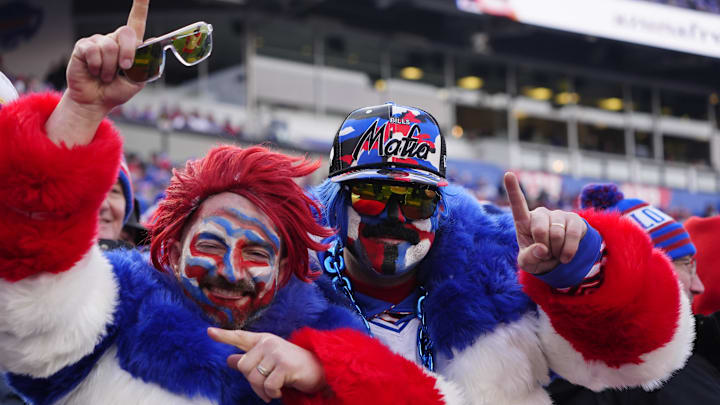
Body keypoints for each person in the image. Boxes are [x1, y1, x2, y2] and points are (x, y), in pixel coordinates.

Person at [0, 2, 464, 404]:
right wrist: (81, 112)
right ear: (172, 246)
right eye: (209, 244)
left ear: (286, 270)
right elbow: (30, 299)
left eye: (258, 253)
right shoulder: (115, 313)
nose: (230, 270)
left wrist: (327, 374)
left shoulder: (328, 336)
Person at [311, 103, 694, 404]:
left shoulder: (500, 285)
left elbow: (633, 363)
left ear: (440, 209)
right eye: (372, 198)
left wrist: (582, 274)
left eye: (415, 201)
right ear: (335, 203)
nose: (394, 217)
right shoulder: (288, 290)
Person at [547, 184, 720, 404]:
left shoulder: (692, 356)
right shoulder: (656, 380)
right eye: (686, 265)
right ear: (641, 277)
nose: (699, 286)